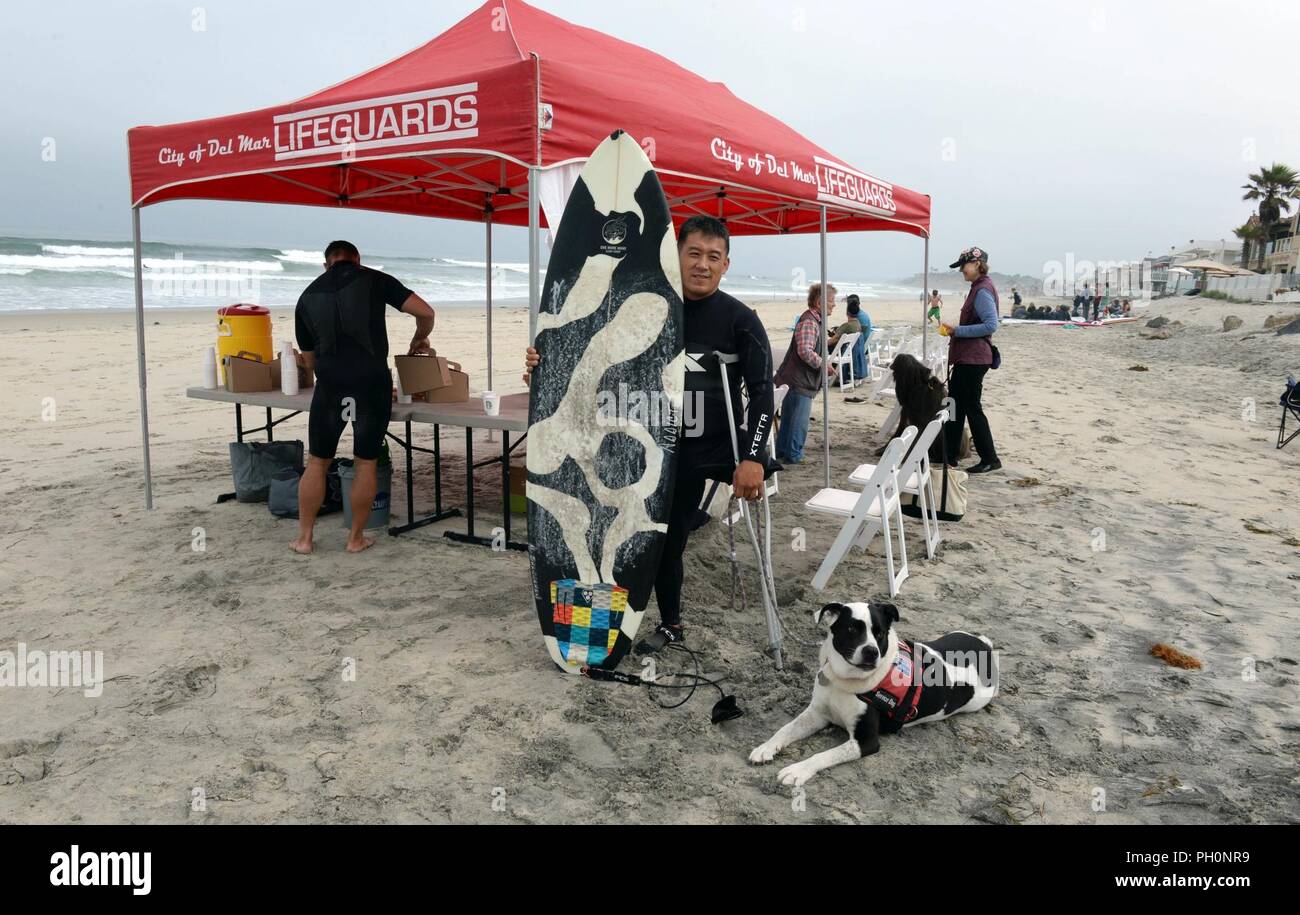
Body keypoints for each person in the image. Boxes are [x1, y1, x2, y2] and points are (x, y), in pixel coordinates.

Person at [522, 215, 775, 654]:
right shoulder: (648, 305)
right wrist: (542, 371)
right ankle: (600, 618)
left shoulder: (739, 320)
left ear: (726, 265)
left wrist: (752, 458)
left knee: (666, 538)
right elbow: (587, 364)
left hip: (698, 452)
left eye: (713, 257)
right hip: (635, 445)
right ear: (677, 255)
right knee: (611, 533)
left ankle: (672, 623)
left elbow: (762, 392)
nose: (702, 264)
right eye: (693, 253)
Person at [291, 240, 435, 554]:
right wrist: (420, 336)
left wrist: (332, 375)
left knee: (317, 461)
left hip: (330, 385)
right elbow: (425, 311)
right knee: (365, 462)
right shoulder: (375, 279)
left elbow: (310, 360)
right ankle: (355, 538)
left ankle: (304, 539)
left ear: (326, 264)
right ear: (358, 260)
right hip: (371, 382)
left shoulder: (306, 296)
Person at [940, 246, 1001, 474]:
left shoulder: (983, 290)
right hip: (970, 358)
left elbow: (990, 325)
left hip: (973, 359)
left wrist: (958, 330)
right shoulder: (979, 288)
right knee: (955, 406)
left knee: (970, 408)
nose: (961, 271)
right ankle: (950, 454)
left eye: (963, 266)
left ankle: (989, 458)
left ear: (976, 264)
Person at [774, 282, 837, 463]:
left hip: (795, 379)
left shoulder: (814, 320)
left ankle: (784, 452)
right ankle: (793, 455)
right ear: (819, 303)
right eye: (831, 301)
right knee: (798, 421)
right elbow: (805, 351)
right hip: (798, 380)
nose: (834, 305)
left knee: (790, 419)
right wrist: (823, 365)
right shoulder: (810, 322)